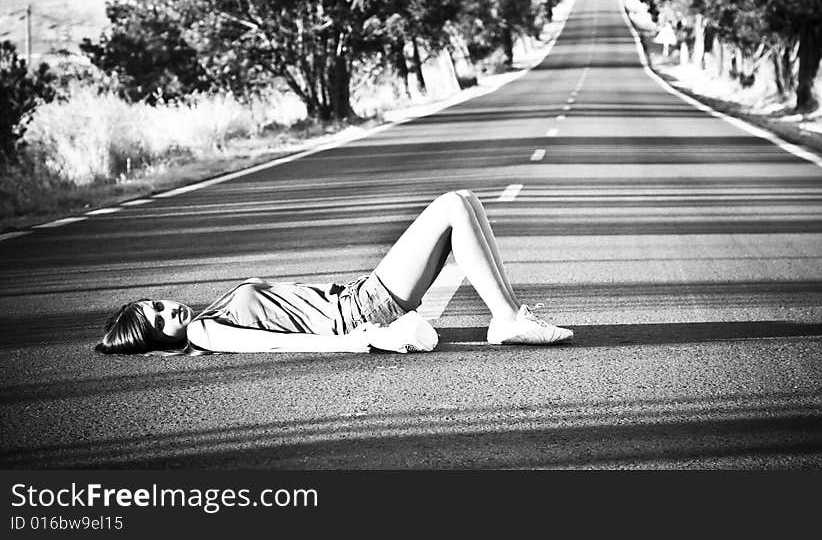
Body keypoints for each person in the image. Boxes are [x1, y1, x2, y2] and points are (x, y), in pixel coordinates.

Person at [95, 190, 574, 355]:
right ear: (160, 341)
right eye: (159, 322)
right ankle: (508, 319)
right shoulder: (205, 332)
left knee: (463, 202)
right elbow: (280, 343)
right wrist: (358, 340)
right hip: (361, 310)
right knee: (451, 205)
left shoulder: (211, 314)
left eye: (156, 304)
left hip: (362, 295)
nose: (168, 310)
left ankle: (509, 316)